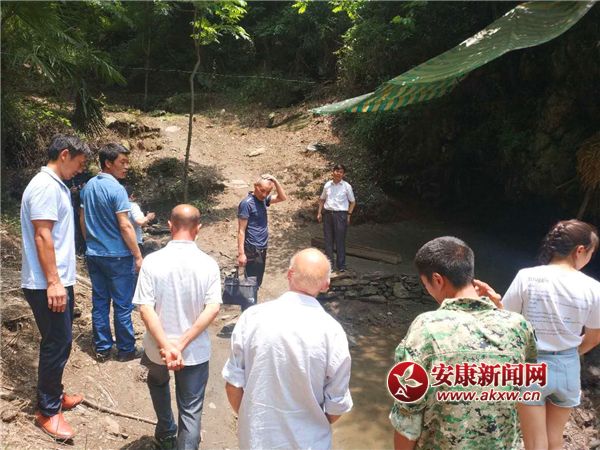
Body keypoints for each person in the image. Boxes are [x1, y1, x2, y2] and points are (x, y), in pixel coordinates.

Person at [390, 236, 537, 450]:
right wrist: (500, 310)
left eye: (425, 284)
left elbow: (407, 414)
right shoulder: (518, 325)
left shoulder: (426, 328)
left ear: (437, 280)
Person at [222, 248, 353, 450]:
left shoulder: (252, 318)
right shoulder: (333, 332)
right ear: (326, 285)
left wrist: (251, 420)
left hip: (256, 441)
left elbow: (232, 385)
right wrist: (310, 427)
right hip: (309, 443)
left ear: (289, 274)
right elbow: (336, 406)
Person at [502, 220, 600, 450]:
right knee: (554, 440)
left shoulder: (527, 276)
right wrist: (570, 354)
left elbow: (505, 321)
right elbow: (595, 336)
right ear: (580, 250)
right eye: (591, 254)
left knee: (535, 443)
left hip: (531, 367)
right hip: (568, 367)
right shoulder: (594, 288)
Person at [133, 204, 221, 450]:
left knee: (158, 383)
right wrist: (180, 345)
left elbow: (145, 308)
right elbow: (213, 308)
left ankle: (165, 432)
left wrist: (167, 346)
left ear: (170, 225)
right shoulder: (208, 264)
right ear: (198, 228)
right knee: (190, 410)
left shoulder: (152, 262)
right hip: (193, 351)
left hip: (157, 349)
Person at [20, 134, 91, 440]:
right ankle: (47, 411)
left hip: (57, 281)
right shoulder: (45, 186)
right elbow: (42, 236)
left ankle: (55, 393)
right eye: (79, 163)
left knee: (61, 341)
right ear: (64, 154)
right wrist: (53, 282)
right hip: (47, 283)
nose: (80, 169)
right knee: (56, 342)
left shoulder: (56, 184)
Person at [80, 143, 143, 362]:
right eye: (122, 162)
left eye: (127, 162)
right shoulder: (117, 189)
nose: (126, 167)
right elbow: (125, 225)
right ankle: (126, 350)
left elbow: (82, 219)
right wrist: (137, 255)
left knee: (99, 302)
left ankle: (103, 348)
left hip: (94, 254)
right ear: (108, 163)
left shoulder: (88, 187)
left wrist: (90, 243)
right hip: (118, 256)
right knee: (122, 305)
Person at [237, 174, 287, 306]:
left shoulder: (264, 200)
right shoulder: (246, 204)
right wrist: (241, 253)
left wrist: (275, 180)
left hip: (262, 247)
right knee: (251, 283)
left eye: (268, 192)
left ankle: (251, 307)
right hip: (252, 248)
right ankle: (248, 310)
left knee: (256, 282)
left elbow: (282, 197)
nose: (264, 194)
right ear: (255, 186)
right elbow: (241, 230)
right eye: (262, 190)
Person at [317, 164, 355, 272]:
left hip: (341, 215)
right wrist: (319, 212)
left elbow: (353, 202)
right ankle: (329, 265)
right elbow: (322, 199)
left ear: (343, 174)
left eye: (341, 172)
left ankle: (341, 265)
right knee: (328, 240)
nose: (339, 173)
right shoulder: (327, 185)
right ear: (333, 172)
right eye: (337, 171)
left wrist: (348, 215)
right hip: (328, 214)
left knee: (340, 240)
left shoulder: (346, 186)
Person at [125, 185, 156, 255]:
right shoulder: (133, 206)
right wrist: (148, 217)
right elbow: (140, 221)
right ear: (131, 195)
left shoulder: (115, 206)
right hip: (134, 243)